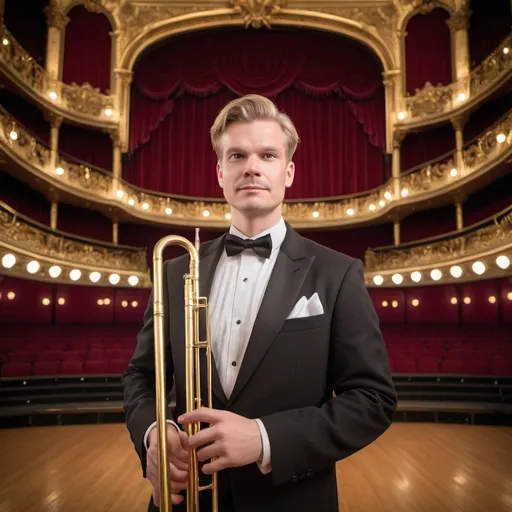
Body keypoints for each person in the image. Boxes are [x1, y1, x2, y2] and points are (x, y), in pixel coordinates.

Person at [122, 94, 397, 512]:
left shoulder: (338, 273)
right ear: (220, 172)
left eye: (267, 155)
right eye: (237, 155)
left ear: (288, 172)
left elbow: (373, 400)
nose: (251, 166)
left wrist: (266, 438)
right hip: (185, 499)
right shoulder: (173, 271)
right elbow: (140, 376)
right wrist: (153, 436)